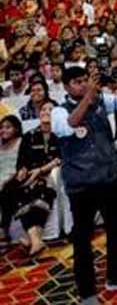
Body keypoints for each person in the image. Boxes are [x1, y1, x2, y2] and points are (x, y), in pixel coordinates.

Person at [51, 65, 117, 304]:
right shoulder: (58, 111)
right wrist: (89, 95)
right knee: (83, 240)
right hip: (81, 185)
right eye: (78, 82)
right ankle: (87, 292)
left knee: (116, 231)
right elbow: (70, 124)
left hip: (109, 178)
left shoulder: (101, 100)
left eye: (85, 80)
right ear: (66, 87)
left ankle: (116, 277)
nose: (83, 85)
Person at [13, 102, 61, 255]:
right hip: (30, 175)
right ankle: (36, 239)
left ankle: (32, 239)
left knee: (42, 190)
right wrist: (22, 170)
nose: (46, 112)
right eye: (43, 109)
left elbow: (61, 157)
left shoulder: (61, 134)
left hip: (49, 174)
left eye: (50, 110)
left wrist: (41, 170)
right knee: (19, 191)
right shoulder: (30, 136)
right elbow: (21, 160)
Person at [0, 114, 22, 247]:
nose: (4, 130)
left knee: (6, 191)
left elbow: (21, 165)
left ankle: (4, 230)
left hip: (14, 177)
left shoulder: (21, 142)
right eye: (2, 127)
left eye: (8, 127)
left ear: (16, 129)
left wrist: (5, 180)